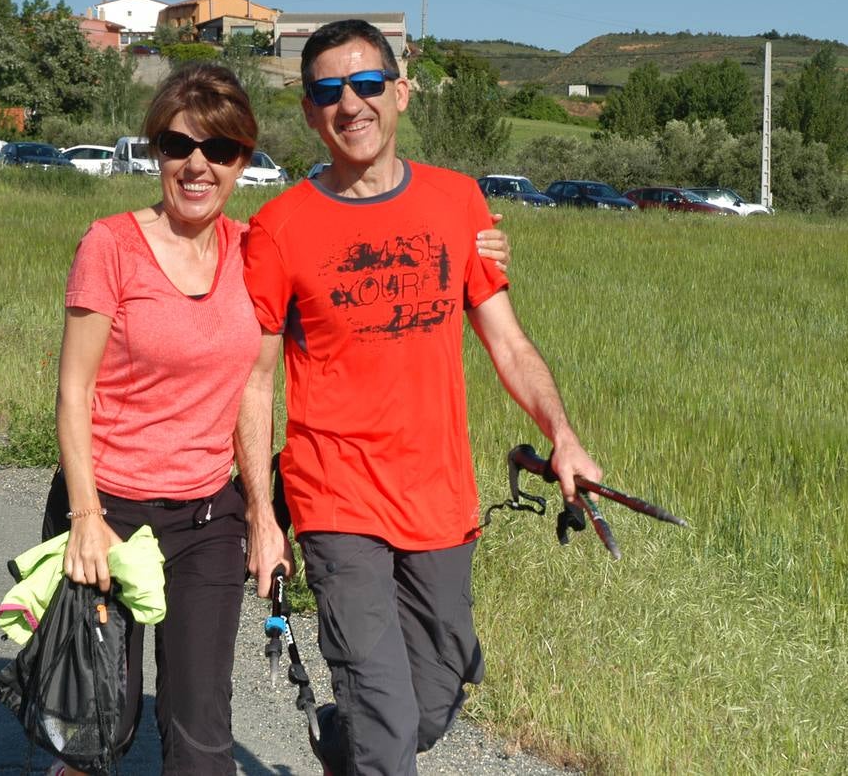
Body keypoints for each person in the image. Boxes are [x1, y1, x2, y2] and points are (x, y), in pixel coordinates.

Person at [47, 62, 510, 775]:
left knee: (201, 741)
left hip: (205, 517)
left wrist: (472, 238)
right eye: (178, 146)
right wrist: (83, 516)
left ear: (242, 160)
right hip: (104, 507)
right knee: (96, 731)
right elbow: (73, 391)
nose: (197, 166)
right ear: (155, 152)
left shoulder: (254, 245)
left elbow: (355, 291)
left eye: (221, 150)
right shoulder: (111, 245)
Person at [239, 20, 604, 776]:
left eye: (367, 84)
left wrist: (562, 434)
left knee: (429, 704)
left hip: (438, 498)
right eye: (328, 91)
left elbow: (506, 341)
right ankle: (367, 740)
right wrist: (258, 516)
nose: (351, 104)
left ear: (399, 93)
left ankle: (345, 745)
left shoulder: (457, 202)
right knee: (384, 712)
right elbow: (255, 379)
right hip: (334, 496)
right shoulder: (278, 228)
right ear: (308, 112)